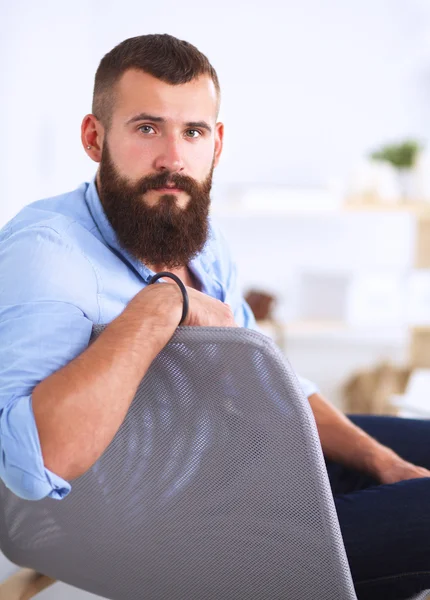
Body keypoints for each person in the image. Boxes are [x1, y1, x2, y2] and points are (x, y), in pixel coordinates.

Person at [0, 33, 429, 600]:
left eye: (193, 132)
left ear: (217, 143)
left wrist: (381, 462)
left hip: (241, 470)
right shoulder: (47, 253)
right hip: (180, 535)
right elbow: (32, 464)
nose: (173, 159)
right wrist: (158, 305)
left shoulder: (199, 238)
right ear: (94, 136)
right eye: (147, 128)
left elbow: (273, 380)